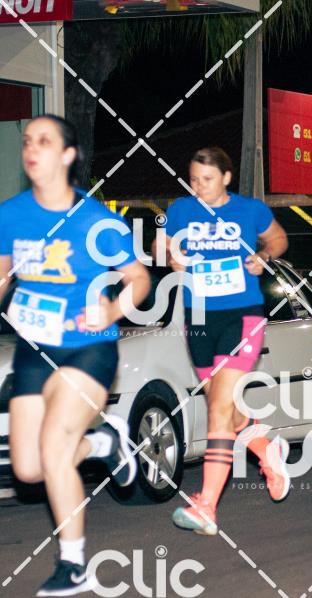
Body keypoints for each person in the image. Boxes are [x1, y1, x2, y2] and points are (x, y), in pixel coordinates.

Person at [1, 115, 150, 596]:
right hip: (34, 348)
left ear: (67, 155)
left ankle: (74, 564)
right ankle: (104, 443)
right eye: (27, 141)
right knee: (28, 469)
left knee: (54, 448)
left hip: (88, 346)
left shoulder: (96, 221)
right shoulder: (10, 215)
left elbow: (139, 279)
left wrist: (112, 309)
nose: (31, 149)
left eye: (44, 141)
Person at [158, 147, 290, 536]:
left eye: (207, 179)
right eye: (193, 179)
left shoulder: (250, 211)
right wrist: (172, 256)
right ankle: (267, 449)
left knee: (217, 409)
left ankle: (207, 506)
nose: (199, 187)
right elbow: (161, 248)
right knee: (226, 411)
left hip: (242, 316)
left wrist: (264, 256)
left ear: (226, 178)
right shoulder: (181, 210)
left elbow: (279, 239)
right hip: (199, 319)